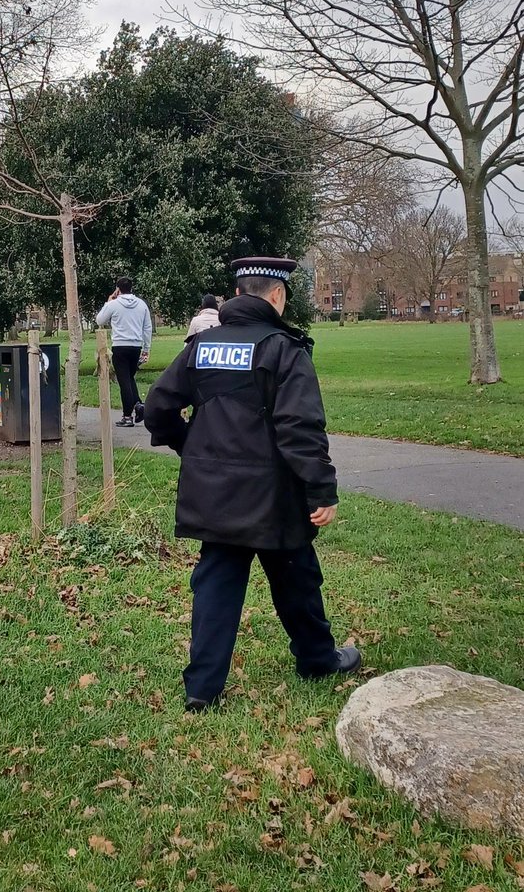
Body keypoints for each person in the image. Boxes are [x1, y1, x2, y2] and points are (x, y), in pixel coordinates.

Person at [143, 256, 361, 713]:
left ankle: (202, 689)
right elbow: (300, 427)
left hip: (215, 495)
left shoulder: (201, 346)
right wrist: (321, 489)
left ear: (238, 295)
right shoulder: (284, 349)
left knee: (217, 584)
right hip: (273, 496)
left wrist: (190, 448)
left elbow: (158, 408)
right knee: (297, 578)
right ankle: (318, 659)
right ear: (277, 296)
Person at [95, 277, 152, 427]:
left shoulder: (113, 304)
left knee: (124, 382)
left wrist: (108, 301)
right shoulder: (141, 304)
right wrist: (146, 348)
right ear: (131, 288)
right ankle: (138, 405)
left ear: (118, 289)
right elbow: (147, 327)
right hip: (135, 346)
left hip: (120, 346)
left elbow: (100, 320)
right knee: (129, 377)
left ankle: (127, 416)